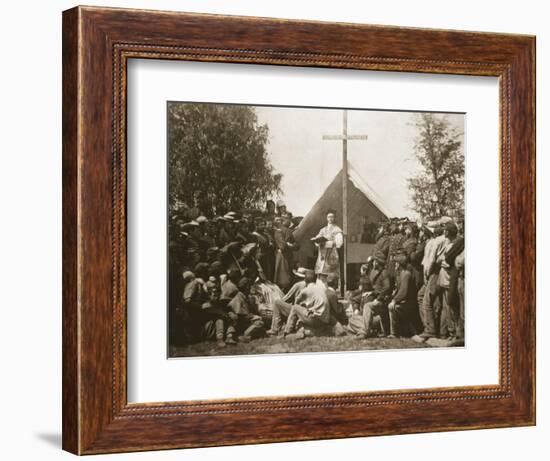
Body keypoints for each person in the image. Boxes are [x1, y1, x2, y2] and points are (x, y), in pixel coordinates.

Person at [347, 255, 392, 339]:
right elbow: (355, 299)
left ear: (378, 262)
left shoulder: (384, 273)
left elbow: (387, 287)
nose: (373, 263)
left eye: (375, 261)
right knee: (351, 321)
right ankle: (369, 330)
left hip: (379, 311)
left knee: (366, 308)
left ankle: (365, 331)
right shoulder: (376, 272)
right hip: (372, 313)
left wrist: (378, 297)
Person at [282, 269, 331, 339]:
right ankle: (301, 332)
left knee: (295, 308)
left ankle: (287, 332)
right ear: (315, 280)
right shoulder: (320, 289)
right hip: (324, 320)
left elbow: (296, 304)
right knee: (303, 315)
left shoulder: (306, 290)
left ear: (305, 281)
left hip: (316, 319)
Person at [388, 254, 418, 338]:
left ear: (400, 264)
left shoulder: (406, 274)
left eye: (396, 263)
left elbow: (403, 292)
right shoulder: (400, 274)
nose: (395, 265)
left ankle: (394, 333)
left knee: (392, 307)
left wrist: (394, 300)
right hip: (404, 302)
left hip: (409, 303)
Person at [227, 277, 265, 342]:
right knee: (259, 323)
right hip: (239, 324)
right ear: (247, 287)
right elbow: (239, 316)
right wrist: (254, 317)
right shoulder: (238, 298)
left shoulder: (245, 297)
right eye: (250, 286)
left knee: (261, 322)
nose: (251, 288)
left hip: (244, 322)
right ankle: (245, 336)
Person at [312, 210, 344, 286]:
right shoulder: (322, 230)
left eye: (332, 217)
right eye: (329, 217)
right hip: (322, 254)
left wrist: (330, 243)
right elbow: (317, 240)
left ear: (334, 218)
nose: (330, 218)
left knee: (330, 274)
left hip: (331, 254)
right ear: (326, 218)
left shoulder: (337, 229)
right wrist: (316, 240)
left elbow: (339, 243)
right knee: (321, 273)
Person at [273, 216, 295, 291]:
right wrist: (290, 245)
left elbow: (284, 245)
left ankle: (284, 290)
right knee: (284, 273)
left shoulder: (280, 231)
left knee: (283, 274)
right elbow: (283, 245)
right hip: (284, 254)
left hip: (283, 254)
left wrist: (289, 245)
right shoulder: (280, 231)